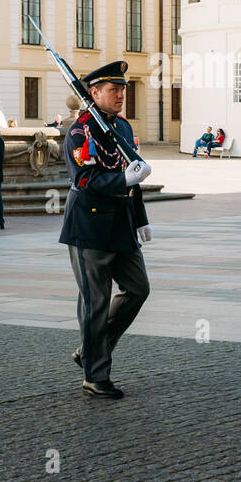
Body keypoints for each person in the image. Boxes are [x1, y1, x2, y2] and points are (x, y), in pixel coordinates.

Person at [60, 60, 152, 399]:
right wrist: (124, 179)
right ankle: (96, 376)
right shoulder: (80, 131)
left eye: (123, 89)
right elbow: (85, 180)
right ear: (94, 93)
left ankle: (90, 347)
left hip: (122, 223)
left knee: (138, 289)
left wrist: (140, 217)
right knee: (96, 302)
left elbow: (134, 170)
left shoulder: (123, 128)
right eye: (114, 90)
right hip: (90, 225)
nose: (121, 95)